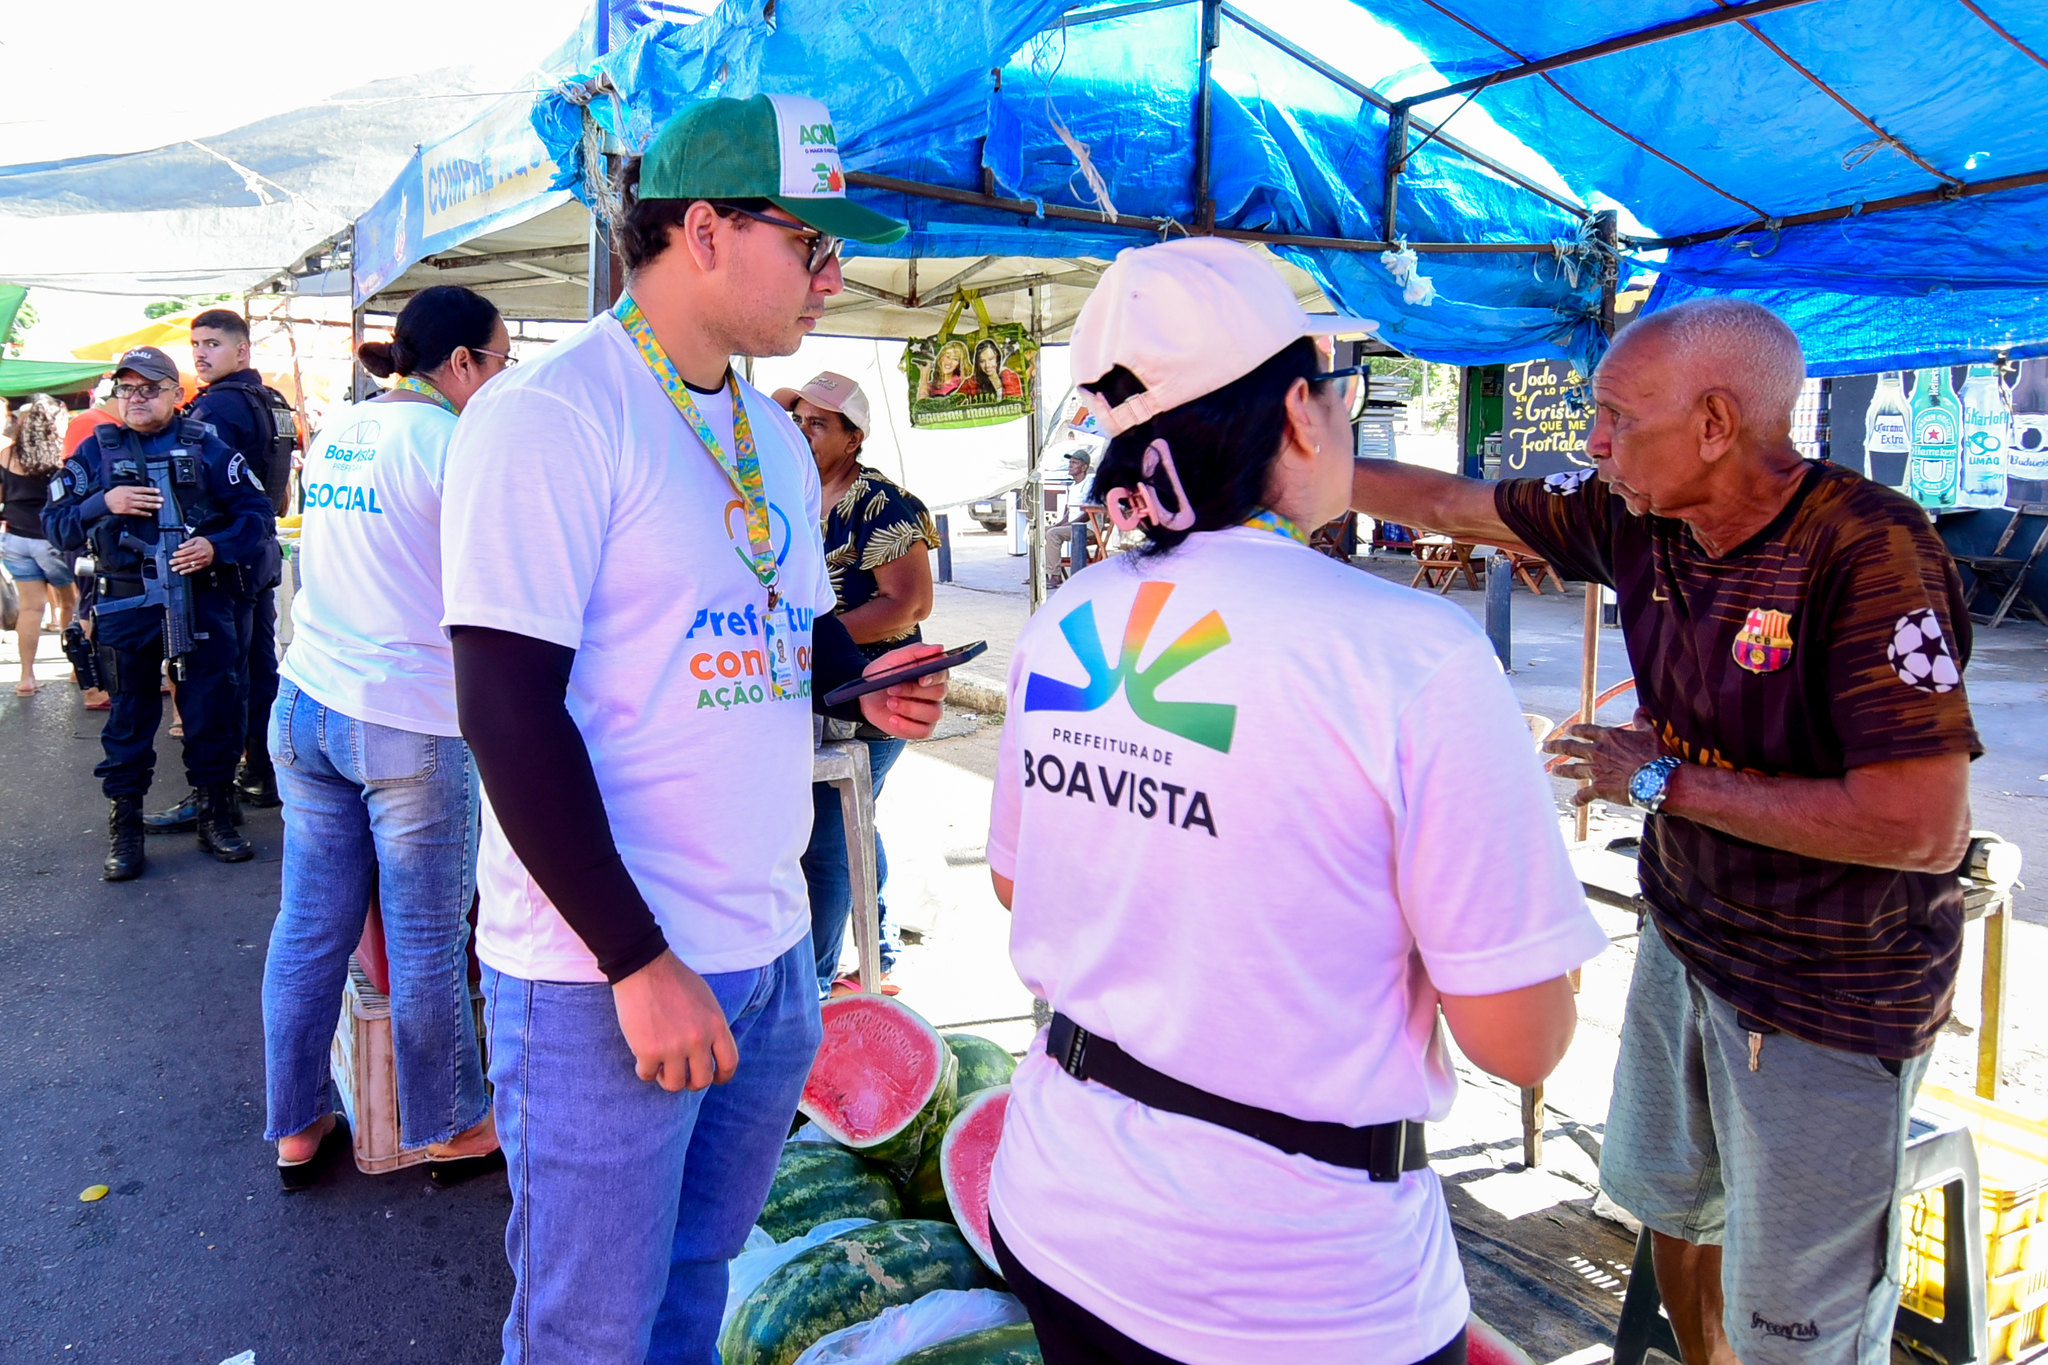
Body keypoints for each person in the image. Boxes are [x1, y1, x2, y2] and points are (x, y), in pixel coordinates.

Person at [985, 237, 1607, 1365]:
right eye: (1340, 389)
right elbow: (1521, 1042)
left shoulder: (1068, 613)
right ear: (1301, 415)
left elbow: (1018, 879)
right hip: (1292, 1286)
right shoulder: (1409, 653)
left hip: (1056, 1205)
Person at [1347, 297, 1979, 1365]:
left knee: (1799, 1321)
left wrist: (1657, 780)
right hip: (1687, 943)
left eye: (1613, 417)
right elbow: (1456, 502)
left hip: (1825, 992)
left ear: (1716, 423)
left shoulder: (1866, 551)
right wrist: (1275, 454)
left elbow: (1918, 829)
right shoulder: (1631, 512)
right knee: (1674, 1213)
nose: (1590, 442)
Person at [440, 93, 948, 1361]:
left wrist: (856, 680)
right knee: (588, 1330)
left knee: (697, 1286)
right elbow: (504, 707)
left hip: (768, 952)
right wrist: (633, 958)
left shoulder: (765, 431)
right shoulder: (553, 414)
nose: (835, 279)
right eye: (813, 247)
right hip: (603, 972)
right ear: (706, 230)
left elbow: (780, 630)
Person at [260, 286, 510, 1190]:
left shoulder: (341, 430)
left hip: (307, 704)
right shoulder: (450, 444)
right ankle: (448, 1124)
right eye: (499, 364)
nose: (500, 382)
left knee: (308, 927)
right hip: (407, 720)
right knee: (426, 936)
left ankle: (294, 1122)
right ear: (460, 365)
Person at [44, 346, 273, 880]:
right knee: (128, 717)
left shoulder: (206, 447)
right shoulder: (95, 454)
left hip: (200, 598)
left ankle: (216, 814)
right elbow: (55, 523)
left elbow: (258, 514)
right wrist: (105, 502)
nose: (137, 398)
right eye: (127, 389)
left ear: (176, 392)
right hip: (126, 602)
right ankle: (125, 826)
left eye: (149, 388)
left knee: (213, 710)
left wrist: (216, 546)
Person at [775, 370, 940, 996]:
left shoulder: (880, 502)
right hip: (811, 689)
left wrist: (819, 637)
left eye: (819, 423)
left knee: (828, 833)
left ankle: (816, 980)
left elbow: (911, 603)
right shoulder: (787, 493)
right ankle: (883, 946)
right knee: (851, 820)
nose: (802, 431)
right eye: (797, 421)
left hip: (875, 693)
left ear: (854, 438)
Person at [179, 307, 295, 813]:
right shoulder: (273, 401)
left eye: (212, 344)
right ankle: (263, 772)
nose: (201, 354)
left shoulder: (218, 409)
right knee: (257, 667)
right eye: (196, 345)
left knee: (222, 677)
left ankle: (218, 791)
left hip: (225, 555)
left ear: (241, 350)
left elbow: (196, 488)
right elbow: (281, 488)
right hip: (260, 546)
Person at [1, 394, 79, 695]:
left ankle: (26, 678)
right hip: (51, 540)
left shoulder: (6, 456)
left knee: (30, 609)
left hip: (16, 540)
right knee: (70, 603)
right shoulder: (59, 457)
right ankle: (76, 669)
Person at [1044, 449, 1095, 588]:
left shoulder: (1089, 483)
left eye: (1075, 463)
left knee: (1052, 534)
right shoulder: (1072, 486)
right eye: (1070, 462)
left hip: (1087, 528)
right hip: (1072, 526)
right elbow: (1068, 512)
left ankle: (1055, 576)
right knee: (1040, 532)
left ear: (1084, 467)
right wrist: (1058, 524)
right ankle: (1042, 573)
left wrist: (1070, 525)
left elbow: (1088, 513)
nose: (1070, 466)